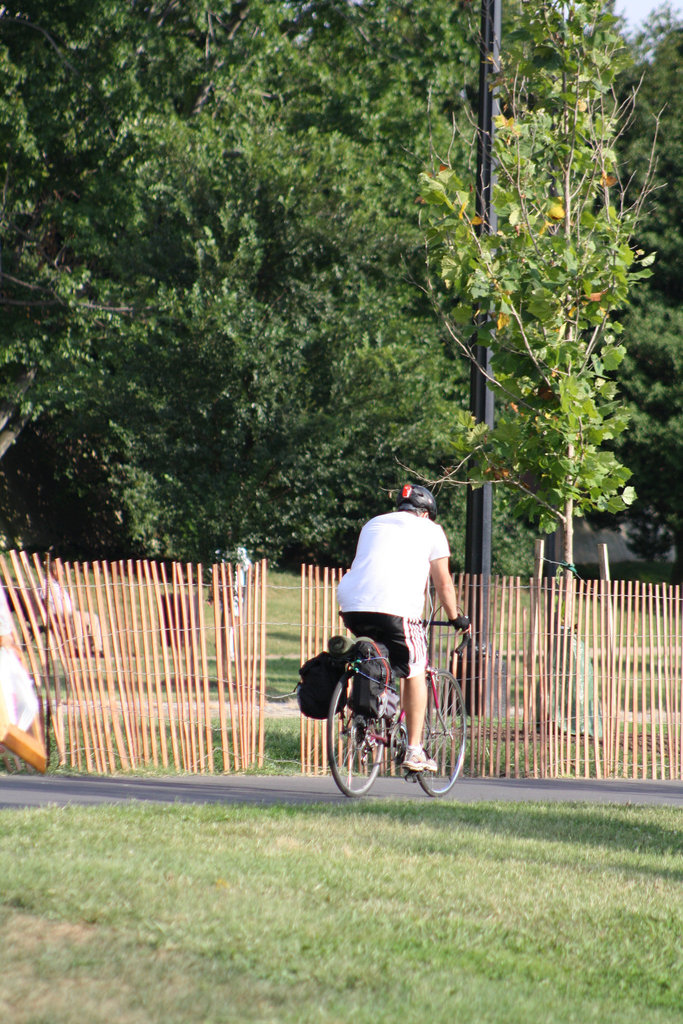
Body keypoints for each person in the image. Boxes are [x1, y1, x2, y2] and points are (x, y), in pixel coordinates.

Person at [337, 484, 470, 773]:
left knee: (376, 653)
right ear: (426, 514)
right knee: (415, 670)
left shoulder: (373, 524)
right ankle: (415, 750)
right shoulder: (431, 530)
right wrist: (456, 617)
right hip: (396, 609)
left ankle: (376, 707)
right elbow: (443, 583)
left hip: (352, 605)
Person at [42, 562, 104, 656]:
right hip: (57, 615)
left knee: (93, 617)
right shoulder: (44, 584)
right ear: (54, 571)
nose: (62, 573)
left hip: (69, 613)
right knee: (76, 617)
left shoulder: (56, 584)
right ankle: (77, 648)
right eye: (61, 570)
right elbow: (46, 602)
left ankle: (96, 648)